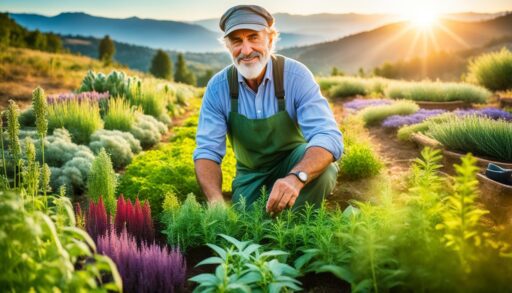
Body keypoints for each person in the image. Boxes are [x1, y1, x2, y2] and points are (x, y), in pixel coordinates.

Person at [193, 5, 343, 215]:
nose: (246, 50)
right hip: (251, 177)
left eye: (254, 37)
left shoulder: (295, 76)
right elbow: (207, 151)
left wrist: (295, 178)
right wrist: (216, 202)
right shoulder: (218, 88)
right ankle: (274, 229)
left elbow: (327, 135)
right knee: (247, 221)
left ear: (270, 40)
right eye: (237, 41)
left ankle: (292, 233)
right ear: (228, 47)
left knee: (323, 171)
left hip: (294, 162)